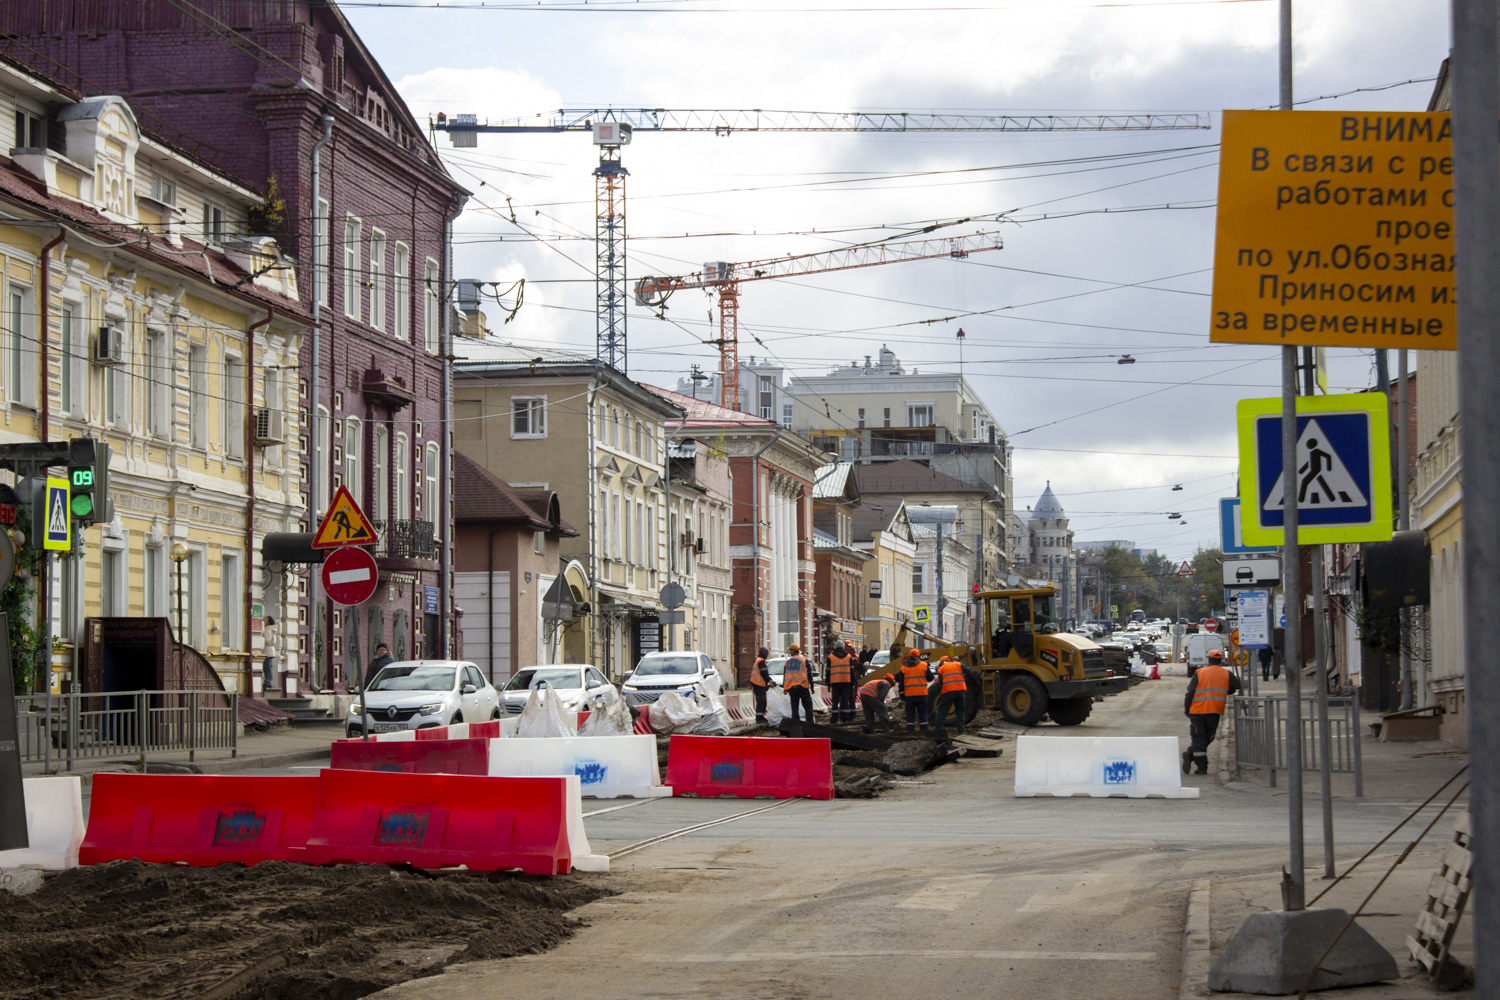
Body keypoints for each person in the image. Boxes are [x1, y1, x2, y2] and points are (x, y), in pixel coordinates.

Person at [1183, 648, 1240, 775]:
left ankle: (1192, 755)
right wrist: (1226, 690)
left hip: (1197, 711)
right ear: (1220, 660)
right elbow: (1237, 686)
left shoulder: (1199, 672)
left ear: (1209, 659)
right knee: (1208, 737)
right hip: (1214, 711)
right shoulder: (1226, 674)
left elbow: (1190, 693)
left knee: (1199, 739)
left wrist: (1187, 709)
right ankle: (1201, 766)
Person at [930, 654, 968, 735]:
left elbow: (941, 684)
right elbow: (969, 671)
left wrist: (942, 694)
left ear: (941, 663)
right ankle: (961, 730)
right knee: (960, 711)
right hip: (960, 691)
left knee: (942, 711)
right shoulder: (958, 664)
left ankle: (937, 729)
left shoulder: (941, 669)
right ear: (949, 660)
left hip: (948, 692)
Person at [899, 648, 934, 733]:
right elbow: (930, 678)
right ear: (919, 656)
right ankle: (924, 732)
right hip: (922, 695)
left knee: (910, 715)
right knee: (923, 714)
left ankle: (910, 732)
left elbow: (901, 684)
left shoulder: (904, 667)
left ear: (909, 656)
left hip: (909, 696)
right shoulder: (924, 665)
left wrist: (902, 695)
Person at [782, 643, 814, 725]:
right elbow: (809, 674)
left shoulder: (787, 662)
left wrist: (784, 687)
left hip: (792, 687)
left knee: (794, 707)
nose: (790, 652)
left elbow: (785, 676)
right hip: (802, 686)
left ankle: (796, 724)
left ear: (793, 650)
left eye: (790, 650)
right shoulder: (804, 660)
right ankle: (809, 723)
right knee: (807, 705)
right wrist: (812, 686)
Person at [825, 641, 856, 724]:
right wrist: (853, 681)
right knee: (845, 700)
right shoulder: (848, 657)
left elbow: (828, 671)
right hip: (846, 681)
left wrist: (827, 681)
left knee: (835, 701)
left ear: (835, 647)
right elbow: (852, 670)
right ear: (843, 647)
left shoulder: (831, 657)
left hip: (835, 681)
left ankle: (834, 719)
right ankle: (845, 718)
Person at [750, 646, 775, 723]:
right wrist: (770, 680)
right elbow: (764, 673)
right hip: (758, 684)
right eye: (767, 653)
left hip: (757, 683)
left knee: (762, 700)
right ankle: (759, 718)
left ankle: (761, 717)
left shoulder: (759, 661)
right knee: (761, 701)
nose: (768, 655)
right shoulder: (761, 661)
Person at [261, 616, 279, 696]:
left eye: (264, 620)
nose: (263, 621)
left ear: (268, 622)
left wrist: (261, 639)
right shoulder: (272, 630)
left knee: (267, 667)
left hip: (267, 651)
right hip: (271, 651)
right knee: (269, 666)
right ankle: (269, 681)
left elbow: (266, 640)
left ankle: (268, 681)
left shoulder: (267, 630)